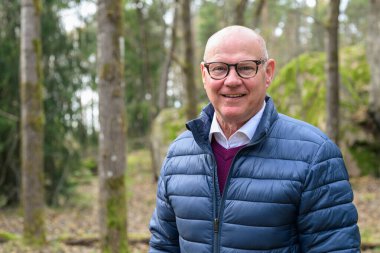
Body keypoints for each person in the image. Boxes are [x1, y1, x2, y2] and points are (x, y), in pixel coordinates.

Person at [149, 25, 361, 253]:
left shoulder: (315, 155)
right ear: (204, 75)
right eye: (219, 69)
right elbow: (163, 245)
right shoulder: (179, 153)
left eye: (245, 68)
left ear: (268, 72)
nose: (231, 80)